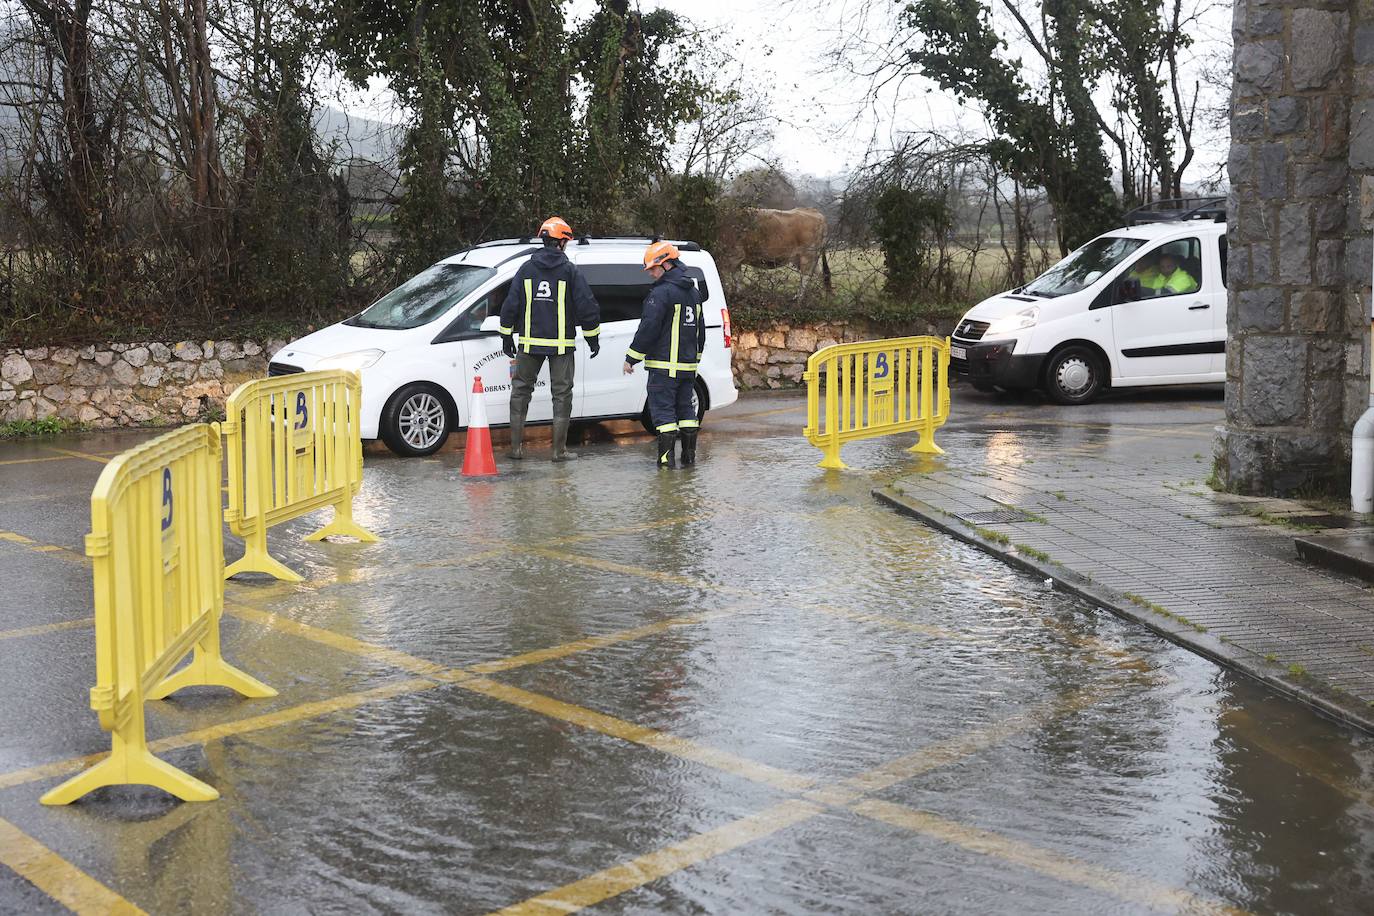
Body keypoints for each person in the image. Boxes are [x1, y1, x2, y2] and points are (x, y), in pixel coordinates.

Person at [498, 216, 601, 461]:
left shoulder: (526, 269)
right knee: (562, 395)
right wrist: (592, 337)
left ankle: (515, 449)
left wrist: (506, 335)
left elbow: (510, 304)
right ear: (561, 242)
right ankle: (558, 451)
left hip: (529, 343)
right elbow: (587, 306)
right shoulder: (570, 271)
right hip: (561, 346)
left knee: (520, 392)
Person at [623, 240, 706, 468]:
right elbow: (701, 332)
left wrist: (632, 358)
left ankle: (665, 465)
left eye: (652, 268)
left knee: (664, 414)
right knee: (687, 411)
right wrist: (694, 360)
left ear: (666, 264)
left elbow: (648, 328)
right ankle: (689, 460)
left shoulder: (661, 293)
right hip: (687, 368)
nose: (650, 273)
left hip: (663, 368)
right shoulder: (694, 294)